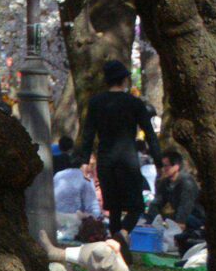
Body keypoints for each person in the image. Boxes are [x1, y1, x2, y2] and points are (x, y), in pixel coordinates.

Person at [77, 63, 160, 239]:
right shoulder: (135, 103)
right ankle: (121, 235)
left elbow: (88, 134)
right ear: (124, 79)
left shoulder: (95, 102)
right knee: (136, 206)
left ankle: (117, 242)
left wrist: (84, 161)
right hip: (127, 158)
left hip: (105, 158)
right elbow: (150, 135)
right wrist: (158, 161)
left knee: (113, 208)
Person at [152, 149, 205, 246]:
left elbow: (186, 206)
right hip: (178, 217)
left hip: (194, 218)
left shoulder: (187, 182)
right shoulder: (165, 183)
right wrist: (153, 218)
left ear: (176, 166)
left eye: (166, 166)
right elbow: (158, 202)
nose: (163, 169)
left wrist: (180, 223)